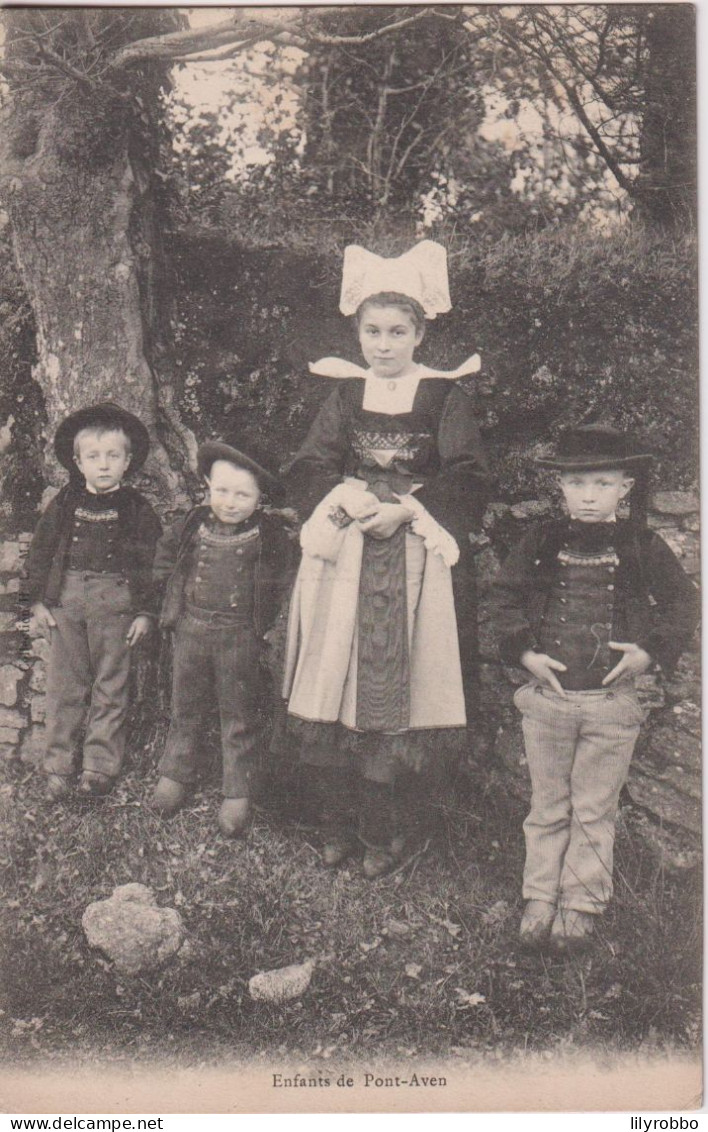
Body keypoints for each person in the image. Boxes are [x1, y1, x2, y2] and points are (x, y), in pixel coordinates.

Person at [282, 240, 490, 878]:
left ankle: (386, 831)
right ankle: (336, 822)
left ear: (421, 332)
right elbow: (311, 462)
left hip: (413, 556)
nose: (384, 344)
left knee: (397, 685)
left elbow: (468, 472)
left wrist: (409, 509)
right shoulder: (346, 395)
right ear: (359, 331)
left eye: (398, 331)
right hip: (345, 552)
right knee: (336, 676)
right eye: (372, 331)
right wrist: (344, 499)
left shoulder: (442, 396)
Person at [489, 425, 699, 952]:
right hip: (550, 704)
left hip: (612, 706)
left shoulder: (641, 545)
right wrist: (524, 653)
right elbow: (506, 598)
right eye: (577, 483)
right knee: (548, 804)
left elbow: (682, 603)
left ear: (624, 487)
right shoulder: (539, 541)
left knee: (594, 808)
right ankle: (539, 895)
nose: (588, 495)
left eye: (602, 483)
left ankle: (580, 901)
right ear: (560, 486)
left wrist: (649, 651)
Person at [152, 441, 295, 837]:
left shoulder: (269, 535)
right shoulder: (191, 524)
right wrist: (167, 597)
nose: (230, 502)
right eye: (222, 491)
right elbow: (165, 559)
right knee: (186, 706)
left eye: (243, 494)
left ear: (260, 498)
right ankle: (177, 773)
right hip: (191, 630)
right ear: (207, 486)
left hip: (238, 637)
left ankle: (238, 790)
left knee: (238, 713)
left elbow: (282, 582)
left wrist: (264, 627)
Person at [26, 401, 162, 800]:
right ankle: (57, 767)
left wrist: (146, 612)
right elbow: (40, 551)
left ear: (128, 460)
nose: (103, 465)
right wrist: (37, 602)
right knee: (64, 686)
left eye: (113, 456)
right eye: (94, 456)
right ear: (78, 461)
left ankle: (98, 769)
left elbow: (153, 564)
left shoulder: (138, 509)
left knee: (111, 687)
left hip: (116, 606)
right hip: (67, 603)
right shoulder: (65, 502)